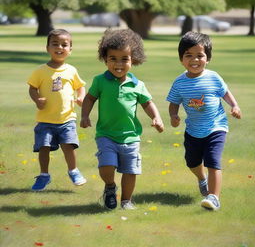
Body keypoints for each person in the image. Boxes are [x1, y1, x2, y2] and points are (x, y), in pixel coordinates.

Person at [80, 29, 164, 210]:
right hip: (106, 135)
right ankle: (110, 186)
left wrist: (156, 117)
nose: (119, 64)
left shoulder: (137, 85)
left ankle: (126, 200)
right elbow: (89, 99)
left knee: (130, 171)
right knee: (106, 166)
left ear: (133, 59)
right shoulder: (100, 81)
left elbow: (148, 103)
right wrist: (85, 115)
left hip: (131, 137)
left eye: (124, 59)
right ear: (105, 59)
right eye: (113, 59)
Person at [166, 31, 241, 211]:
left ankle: (214, 197)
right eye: (189, 55)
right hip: (193, 130)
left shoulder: (214, 77)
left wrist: (235, 106)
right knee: (192, 162)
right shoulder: (179, 82)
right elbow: (173, 102)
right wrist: (173, 116)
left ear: (208, 58)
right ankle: (202, 178)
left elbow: (225, 93)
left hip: (216, 126)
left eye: (200, 55)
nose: (195, 60)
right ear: (181, 59)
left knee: (213, 161)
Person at [28, 29, 86, 191]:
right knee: (43, 147)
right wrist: (37, 99)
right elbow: (32, 88)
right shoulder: (41, 70)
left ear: (70, 49)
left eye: (64, 44)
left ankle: (73, 171)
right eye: (55, 44)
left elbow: (80, 87)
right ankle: (44, 175)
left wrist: (81, 97)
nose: (59, 47)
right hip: (45, 120)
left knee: (68, 146)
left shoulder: (71, 70)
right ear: (47, 48)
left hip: (66, 119)